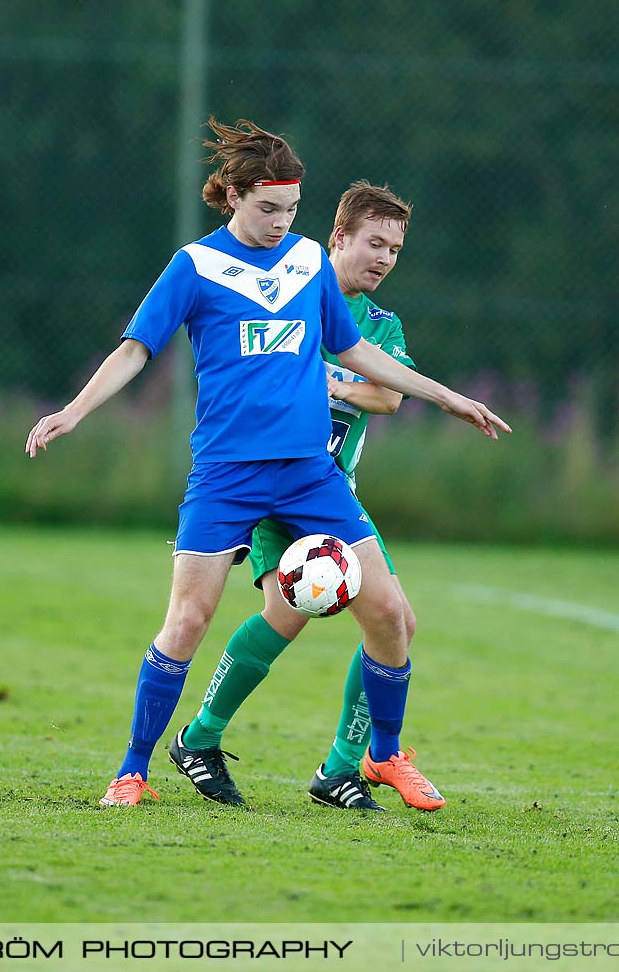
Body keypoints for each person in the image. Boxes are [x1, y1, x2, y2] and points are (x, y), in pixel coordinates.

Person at [25, 118, 508, 808]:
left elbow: (358, 354)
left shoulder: (309, 261)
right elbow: (136, 348)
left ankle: (378, 757)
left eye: (291, 209)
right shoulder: (193, 267)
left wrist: (447, 397)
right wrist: (74, 410)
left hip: (311, 474)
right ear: (232, 196)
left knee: (391, 614)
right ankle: (132, 771)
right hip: (226, 474)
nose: (282, 223)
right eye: (268, 208)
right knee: (187, 622)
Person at [169, 180, 437, 812]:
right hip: (271, 485)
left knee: (394, 621)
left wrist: (321, 378)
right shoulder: (289, 293)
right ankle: (203, 738)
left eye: (395, 250)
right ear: (336, 238)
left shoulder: (381, 325)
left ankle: (341, 765)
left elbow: (389, 396)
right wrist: (337, 380)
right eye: (374, 243)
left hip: (330, 491)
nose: (383, 259)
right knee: (295, 614)